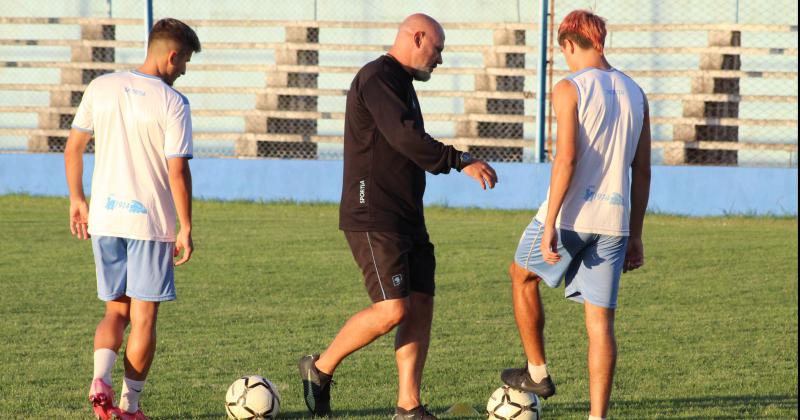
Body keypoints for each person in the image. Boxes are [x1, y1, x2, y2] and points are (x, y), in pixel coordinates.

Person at [298, 13, 498, 420]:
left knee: (420, 304)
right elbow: (405, 136)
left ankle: (408, 405)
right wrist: (460, 160)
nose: (440, 59)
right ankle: (319, 367)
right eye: (437, 49)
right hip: (374, 213)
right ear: (418, 37)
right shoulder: (377, 77)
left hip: (408, 217)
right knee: (393, 310)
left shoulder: (402, 83)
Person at [499, 10, 651, 420]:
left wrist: (548, 225)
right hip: (615, 222)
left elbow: (565, 158)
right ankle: (597, 417)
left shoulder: (570, 87)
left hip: (569, 216)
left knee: (521, 275)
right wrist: (635, 234)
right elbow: (642, 170)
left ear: (567, 44)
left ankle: (537, 373)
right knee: (600, 325)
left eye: (563, 50)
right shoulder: (636, 92)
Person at [64, 18, 200, 420]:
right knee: (143, 318)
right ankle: (130, 407)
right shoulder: (173, 103)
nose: (184, 71)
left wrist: (77, 199)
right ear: (172, 55)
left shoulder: (101, 86)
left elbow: (73, 149)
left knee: (114, 312)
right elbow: (177, 171)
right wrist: (186, 226)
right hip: (150, 224)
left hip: (105, 219)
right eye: (186, 61)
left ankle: (99, 379)